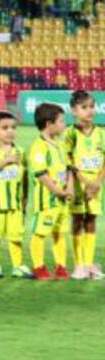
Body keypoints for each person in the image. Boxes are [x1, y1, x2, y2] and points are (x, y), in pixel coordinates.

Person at [28, 102, 73, 281]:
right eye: (61, 121)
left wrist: (69, 188)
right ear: (49, 124)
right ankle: (38, 267)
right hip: (47, 200)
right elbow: (42, 175)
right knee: (40, 233)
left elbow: (69, 168)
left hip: (63, 200)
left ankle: (61, 266)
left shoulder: (60, 144)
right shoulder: (39, 146)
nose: (64, 125)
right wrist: (58, 191)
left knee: (60, 233)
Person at [0, 112, 29, 279]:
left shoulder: (21, 151)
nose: (10, 131)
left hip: (15, 203)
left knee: (16, 236)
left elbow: (25, 176)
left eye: (13, 127)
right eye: (4, 128)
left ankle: (17, 266)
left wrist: (25, 198)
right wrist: (6, 161)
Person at [65, 90, 104, 280]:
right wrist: (85, 182)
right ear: (74, 111)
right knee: (77, 220)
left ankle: (89, 264)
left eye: (91, 107)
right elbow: (68, 161)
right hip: (80, 184)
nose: (89, 111)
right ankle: (78, 264)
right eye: (84, 107)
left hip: (95, 186)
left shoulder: (101, 133)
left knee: (91, 220)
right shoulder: (70, 134)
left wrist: (97, 182)